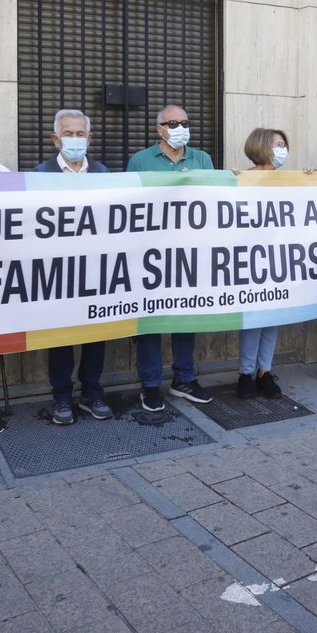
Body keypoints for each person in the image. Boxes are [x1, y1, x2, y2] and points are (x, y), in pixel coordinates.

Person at [126, 104, 214, 411]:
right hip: (150, 254)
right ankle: (150, 385)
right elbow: (128, 204)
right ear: (159, 129)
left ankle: (184, 379)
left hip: (190, 253)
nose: (179, 127)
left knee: (185, 315)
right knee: (150, 320)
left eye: (184, 122)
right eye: (172, 123)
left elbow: (215, 198)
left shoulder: (202, 158)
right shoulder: (140, 160)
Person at [35, 109, 115, 425]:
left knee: (97, 334)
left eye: (80, 134)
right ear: (56, 139)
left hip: (96, 270)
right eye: (68, 133)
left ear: (90, 139)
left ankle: (92, 394)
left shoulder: (104, 174)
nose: (74, 139)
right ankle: (62, 398)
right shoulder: (40, 175)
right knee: (61, 338)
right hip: (59, 273)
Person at [234, 128, 292, 400]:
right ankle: (245, 373)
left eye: (284, 144)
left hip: (279, 258)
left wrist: (311, 179)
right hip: (250, 259)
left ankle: (264, 372)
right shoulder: (242, 179)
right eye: (277, 144)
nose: (283, 149)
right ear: (261, 147)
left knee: (272, 319)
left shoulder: (289, 180)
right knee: (253, 319)